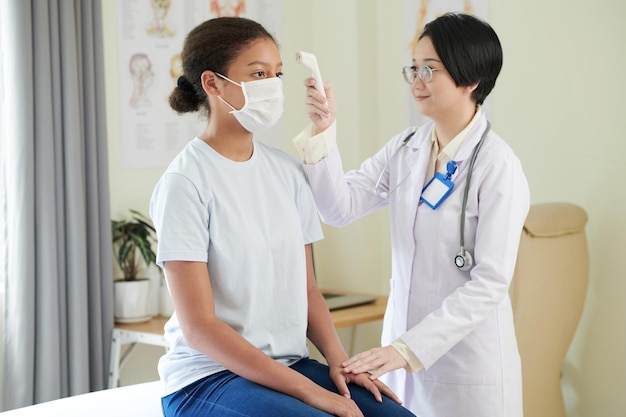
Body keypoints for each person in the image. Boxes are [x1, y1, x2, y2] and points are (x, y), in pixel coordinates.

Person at [149, 16, 417, 417]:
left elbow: (308, 291)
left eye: (277, 74)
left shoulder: (289, 172)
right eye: (258, 74)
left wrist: (340, 366)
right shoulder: (184, 183)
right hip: (208, 378)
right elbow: (200, 327)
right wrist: (311, 394)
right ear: (212, 83)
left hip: (287, 365)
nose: (272, 85)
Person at [294, 12, 529, 417]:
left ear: (470, 78)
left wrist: (406, 350)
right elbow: (339, 208)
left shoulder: (497, 166)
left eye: (429, 69)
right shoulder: (405, 149)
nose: (417, 80)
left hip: (467, 370)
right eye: (414, 68)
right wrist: (323, 131)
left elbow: (489, 284)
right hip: (401, 362)